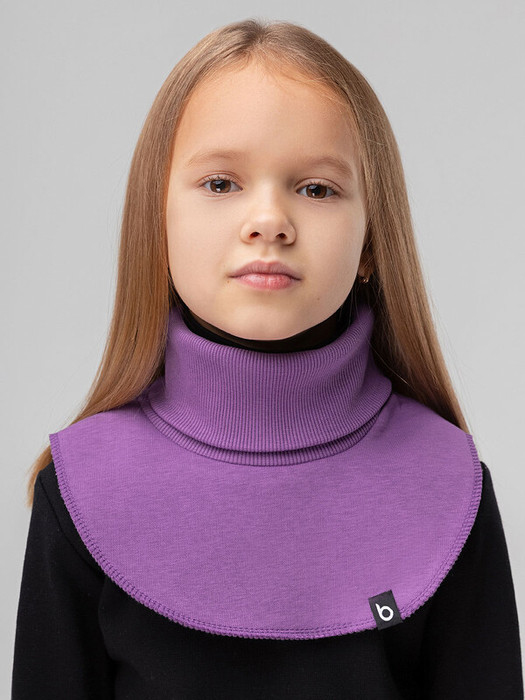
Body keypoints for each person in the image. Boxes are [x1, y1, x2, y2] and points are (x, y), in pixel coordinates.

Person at [11, 17, 523, 700]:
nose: (269, 222)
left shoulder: (449, 487)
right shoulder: (79, 489)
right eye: (221, 183)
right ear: (157, 221)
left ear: (372, 243)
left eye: (316, 189)